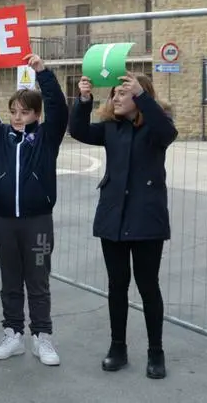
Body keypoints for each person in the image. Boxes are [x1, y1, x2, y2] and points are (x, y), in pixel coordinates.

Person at [69, 73, 177, 380]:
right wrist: (84, 100)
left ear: (140, 97)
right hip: (113, 217)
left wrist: (143, 95)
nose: (115, 98)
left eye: (122, 93)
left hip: (146, 219)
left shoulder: (156, 128)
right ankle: (118, 347)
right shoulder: (110, 128)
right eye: (114, 93)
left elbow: (168, 133)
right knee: (117, 286)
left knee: (148, 286)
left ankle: (156, 353)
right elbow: (76, 129)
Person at [0, 53, 67, 367]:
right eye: (13, 111)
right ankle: (13, 333)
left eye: (24, 112)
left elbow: (60, 110)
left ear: (36, 114)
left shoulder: (45, 139)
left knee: (37, 280)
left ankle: (42, 337)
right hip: (3, 221)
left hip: (37, 221)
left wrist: (44, 73)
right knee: (10, 280)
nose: (17, 116)